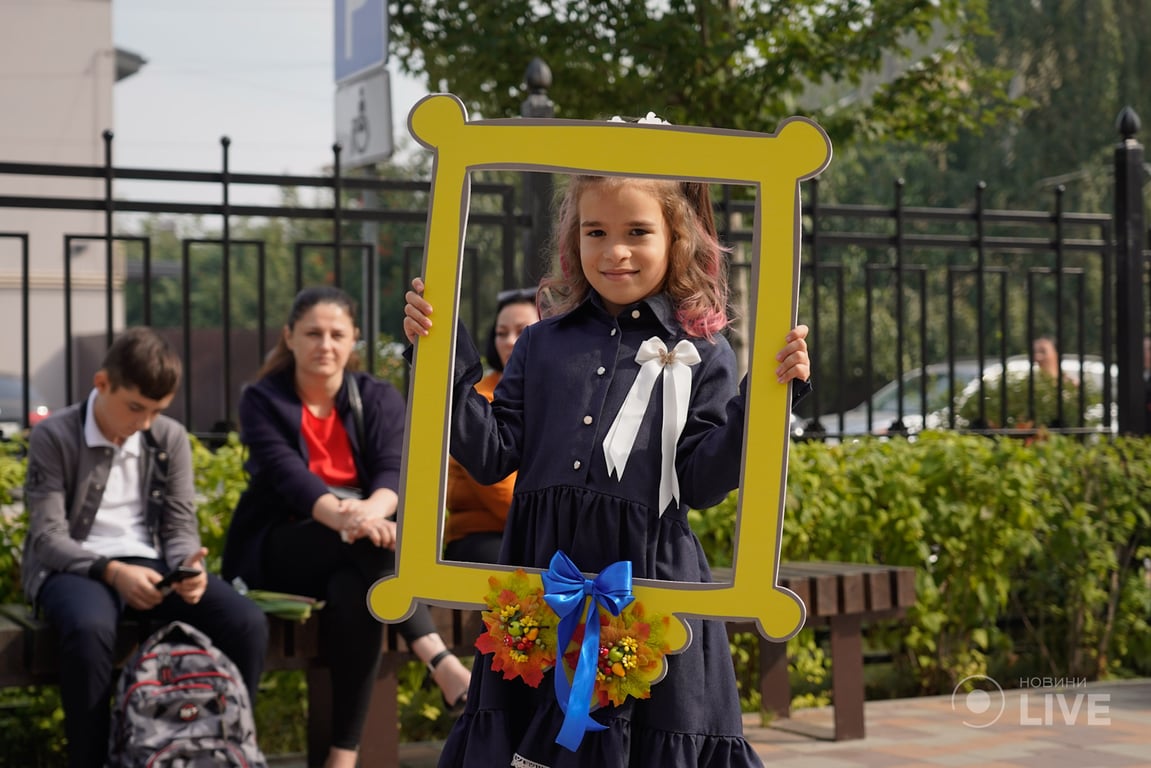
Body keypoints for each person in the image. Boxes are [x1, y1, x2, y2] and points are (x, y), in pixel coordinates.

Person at [403, 175, 811, 768]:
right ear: (574, 239)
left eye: (637, 232)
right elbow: (492, 453)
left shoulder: (706, 352)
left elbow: (701, 481)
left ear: (677, 238)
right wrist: (439, 359)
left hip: (652, 582)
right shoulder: (540, 344)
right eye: (596, 232)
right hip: (544, 578)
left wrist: (766, 404)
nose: (614, 251)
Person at [221, 285, 471, 768]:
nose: (325, 344)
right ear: (289, 337)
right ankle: (441, 663)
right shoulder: (261, 399)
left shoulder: (375, 396)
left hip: (360, 545)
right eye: (313, 333)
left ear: (354, 338)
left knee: (355, 596)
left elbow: (393, 468)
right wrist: (350, 520)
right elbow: (287, 477)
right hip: (284, 546)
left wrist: (372, 514)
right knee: (369, 553)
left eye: (338, 334)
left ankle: (342, 756)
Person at [22, 326, 269, 768]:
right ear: (102, 384)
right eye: (135, 407)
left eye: (156, 411)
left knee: (245, 622)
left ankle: (225, 749)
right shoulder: (54, 436)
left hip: (151, 565)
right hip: (73, 569)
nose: (143, 423)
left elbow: (178, 525)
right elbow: (47, 538)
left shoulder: (168, 437)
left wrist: (186, 567)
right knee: (89, 628)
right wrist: (113, 571)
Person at [444, 287, 541, 564]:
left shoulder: (562, 393)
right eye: (501, 333)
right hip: (484, 535)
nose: (510, 342)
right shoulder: (479, 399)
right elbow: (502, 499)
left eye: (523, 331)